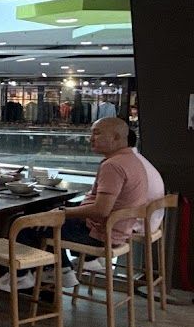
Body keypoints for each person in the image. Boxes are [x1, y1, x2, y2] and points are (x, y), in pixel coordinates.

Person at [38, 117, 165, 287]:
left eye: (96, 133)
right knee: (55, 214)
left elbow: (101, 210)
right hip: (121, 229)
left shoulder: (113, 165)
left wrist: (62, 212)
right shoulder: (135, 160)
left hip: (104, 234)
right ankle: (70, 267)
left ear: (116, 138)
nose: (91, 139)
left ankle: (41, 275)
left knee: (37, 224)